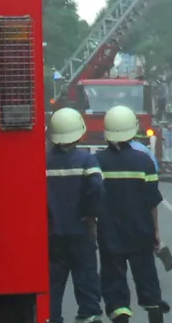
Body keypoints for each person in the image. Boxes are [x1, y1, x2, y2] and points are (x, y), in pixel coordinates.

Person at [96, 106, 170, 323]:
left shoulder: (97, 161)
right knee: (147, 278)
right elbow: (152, 203)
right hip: (141, 233)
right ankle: (155, 310)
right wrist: (156, 233)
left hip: (109, 234)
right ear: (132, 130)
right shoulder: (144, 161)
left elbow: (93, 200)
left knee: (114, 283)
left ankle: (120, 313)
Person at [46, 108, 104, 323]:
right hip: (81, 232)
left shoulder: (42, 161)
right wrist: (91, 214)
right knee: (86, 280)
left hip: (51, 234)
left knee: (52, 286)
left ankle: (51, 318)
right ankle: (89, 316)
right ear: (79, 131)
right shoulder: (87, 160)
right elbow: (97, 188)